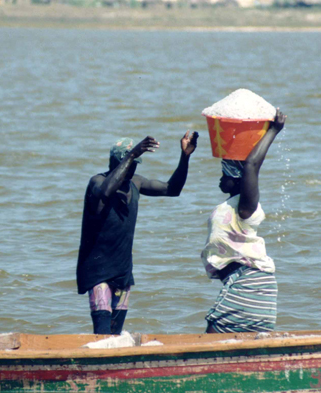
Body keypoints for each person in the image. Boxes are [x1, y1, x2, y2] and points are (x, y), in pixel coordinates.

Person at [77, 132, 198, 335]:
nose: (133, 168)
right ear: (119, 161)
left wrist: (185, 156)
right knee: (102, 331)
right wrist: (131, 156)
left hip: (123, 270)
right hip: (97, 270)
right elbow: (106, 192)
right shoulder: (97, 182)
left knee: (116, 334)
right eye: (131, 161)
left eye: (136, 162)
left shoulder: (136, 183)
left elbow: (172, 189)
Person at [201, 109, 286, 334]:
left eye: (225, 173)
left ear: (238, 179)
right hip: (249, 284)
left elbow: (250, 166)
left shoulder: (246, 207)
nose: (221, 178)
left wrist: (272, 131)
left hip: (250, 282)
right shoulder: (233, 206)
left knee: (214, 332)